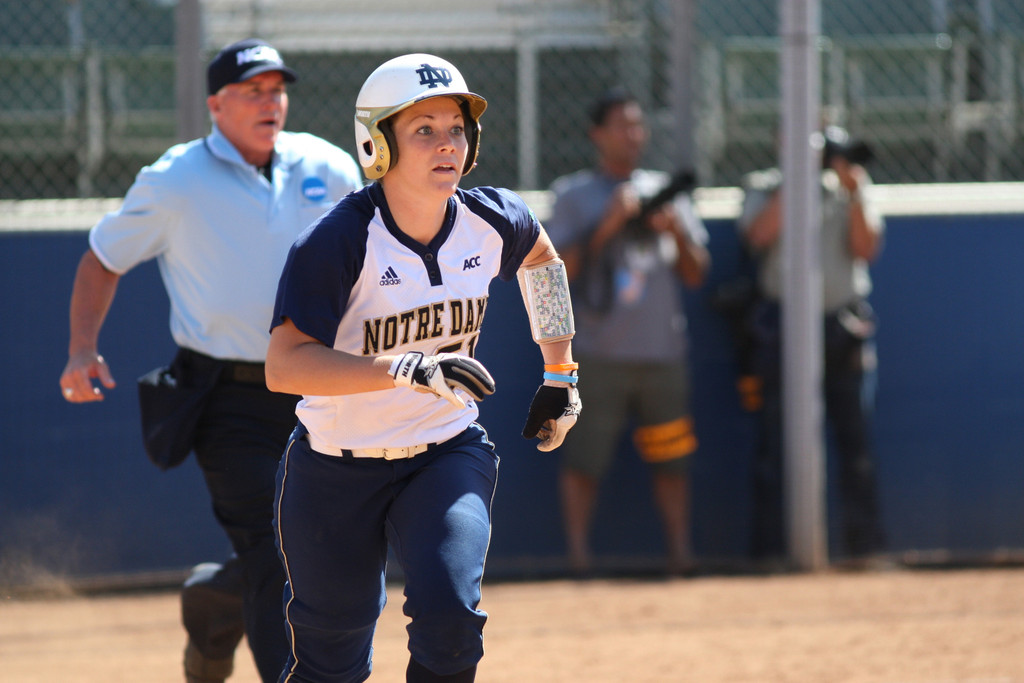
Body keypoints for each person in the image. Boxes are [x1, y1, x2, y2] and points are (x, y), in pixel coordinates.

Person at [263, 53, 580, 682]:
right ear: (377, 144)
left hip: (444, 451)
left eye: (457, 128)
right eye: (424, 130)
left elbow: (543, 263)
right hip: (334, 465)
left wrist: (561, 374)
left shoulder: (491, 218)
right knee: (331, 659)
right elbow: (284, 366)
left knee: (451, 622)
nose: (447, 145)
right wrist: (402, 368)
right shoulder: (339, 240)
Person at [58, 38, 363, 683]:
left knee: (330, 542)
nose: (270, 102)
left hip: (320, 385)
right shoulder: (176, 179)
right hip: (231, 398)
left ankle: (214, 599)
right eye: (253, 90)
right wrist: (82, 348)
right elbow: (103, 258)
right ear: (215, 105)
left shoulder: (329, 166)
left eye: (277, 90)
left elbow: (373, 263)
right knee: (274, 546)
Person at [544, 87, 710, 576]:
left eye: (638, 125)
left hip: (663, 353)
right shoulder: (574, 195)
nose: (633, 135)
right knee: (584, 460)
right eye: (622, 125)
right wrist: (609, 223)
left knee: (673, 461)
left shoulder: (667, 192)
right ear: (598, 134)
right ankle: (579, 559)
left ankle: (682, 555)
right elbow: (556, 274)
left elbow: (698, 273)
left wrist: (675, 230)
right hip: (598, 355)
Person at [737, 126, 886, 566]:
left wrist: (853, 189)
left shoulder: (849, 187)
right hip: (781, 328)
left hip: (841, 327)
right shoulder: (765, 185)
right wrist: (798, 179)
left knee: (854, 441)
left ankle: (865, 550)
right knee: (775, 442)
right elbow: (759, 235)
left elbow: (866, 247)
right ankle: (770, 553)